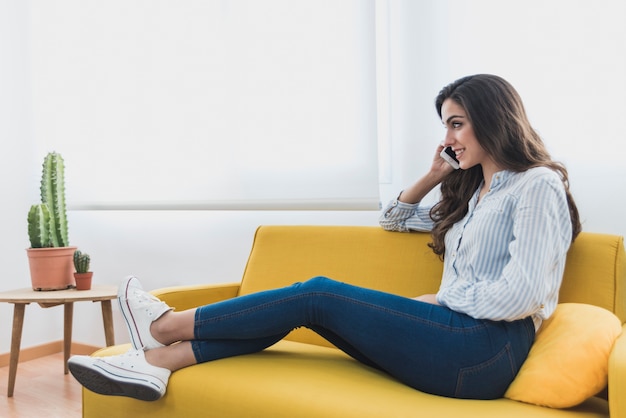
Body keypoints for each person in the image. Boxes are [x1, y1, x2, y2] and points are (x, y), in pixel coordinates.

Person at [68, 74, 581, 402]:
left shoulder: (536, 185)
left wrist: (445, 298)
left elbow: (526, 295)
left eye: (457, 124)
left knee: (316, 293)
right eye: (446, 126)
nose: (447, 137)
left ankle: (167, 327)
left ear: (492, 119)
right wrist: (432, 175)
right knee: (305, 307)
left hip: (484, 352)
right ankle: (162, 362)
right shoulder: (475, 197)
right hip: (454, 340)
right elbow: (395, 219)